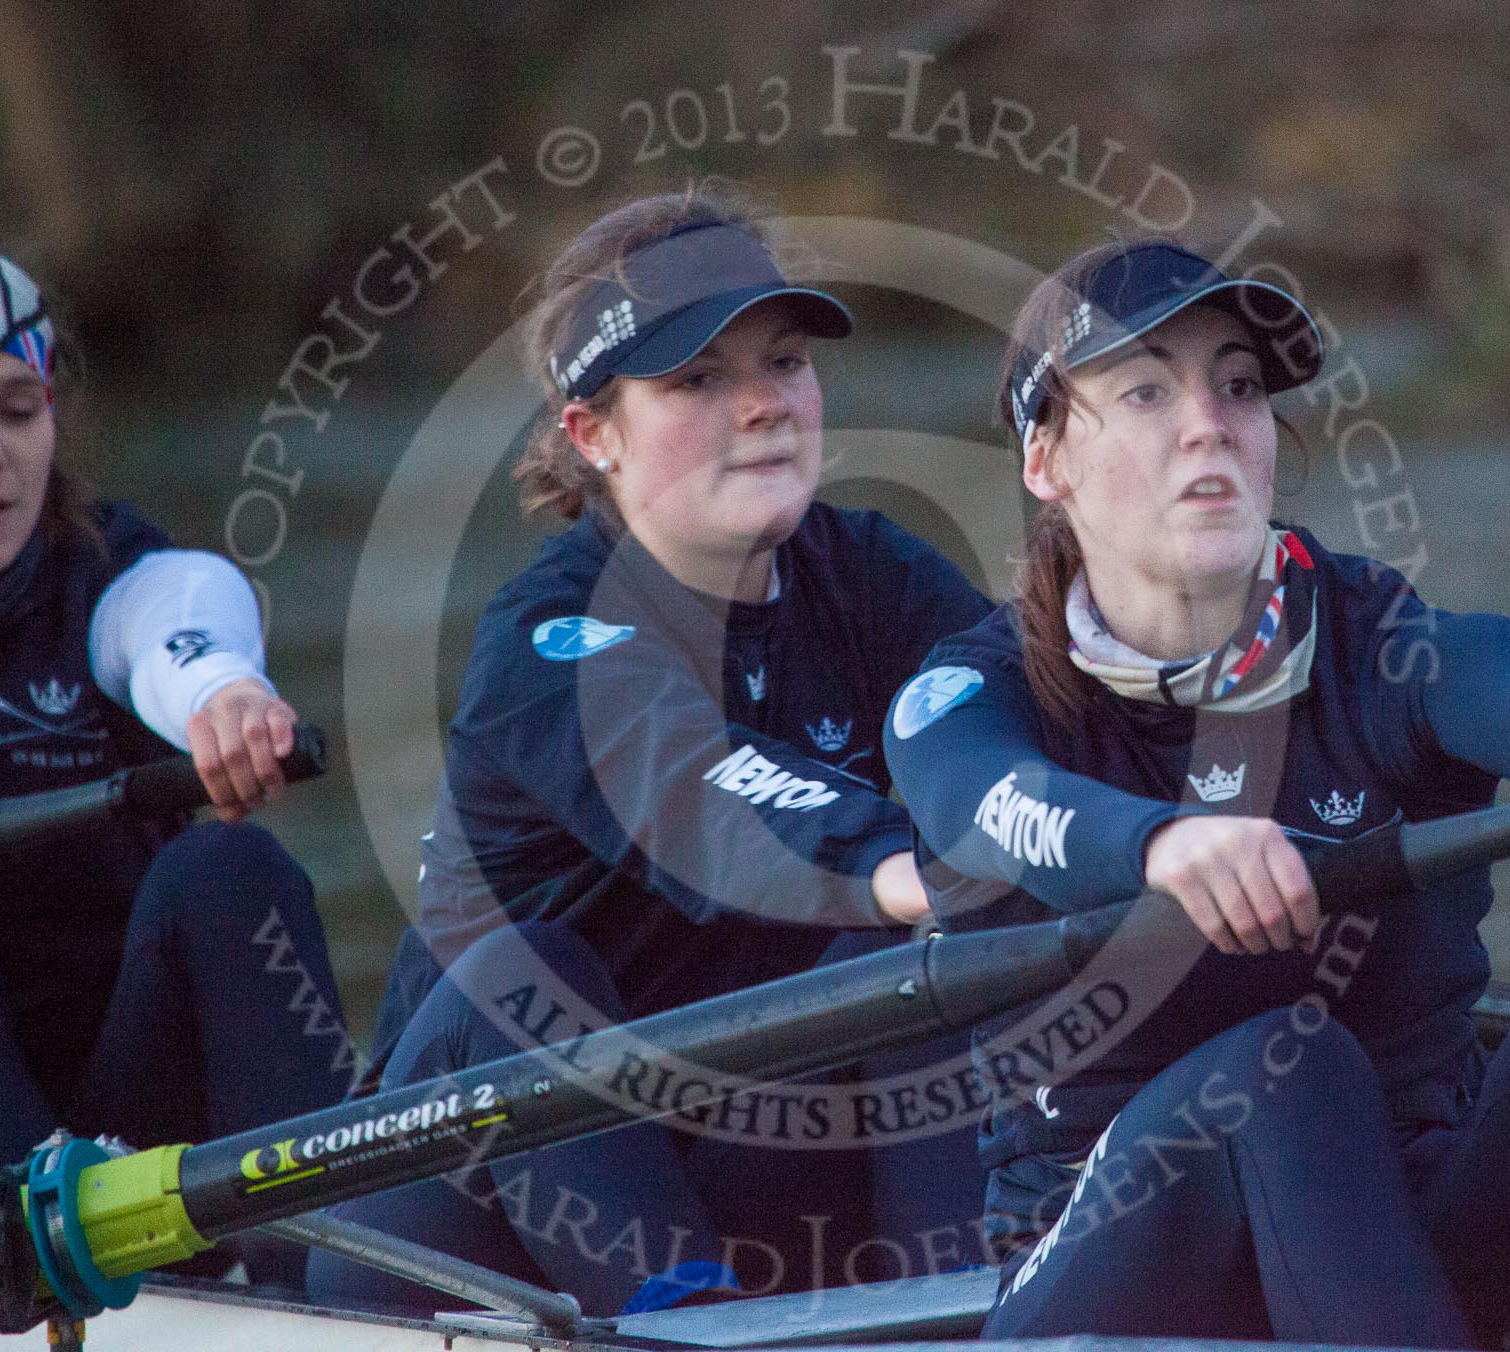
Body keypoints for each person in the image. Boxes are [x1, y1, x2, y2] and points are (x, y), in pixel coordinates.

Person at [883, 238, 1510, 1347]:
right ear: (1045, 459)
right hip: (1110, 1265)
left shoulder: (1365, 635)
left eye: (1237, 384)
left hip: (1407, 1227)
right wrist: (1162, 846)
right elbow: (986, 797)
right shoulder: (968, 694)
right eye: (1147, 388)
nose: (1210, 421)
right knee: (1283, 1063)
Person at [304, 184, 993, 1317]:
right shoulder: (549, 638)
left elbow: (1027, 718)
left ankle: (971, 1316)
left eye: (784, 362)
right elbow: (701, 790)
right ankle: (703, 1327)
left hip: (718, 1160)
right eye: (698, 380)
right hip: (450, 1222)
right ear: (594, 434)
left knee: (898, 971)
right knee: (523, 976)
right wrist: (905, 862)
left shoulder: (870, 573)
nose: (765, 405)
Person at [0, 239, 353, 1202]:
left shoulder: (114, 580)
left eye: (18, 409)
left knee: (231, 868)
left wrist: (223, 692)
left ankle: (328, 1268)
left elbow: (184, 613)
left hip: (116, 1116)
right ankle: (34, 1276)